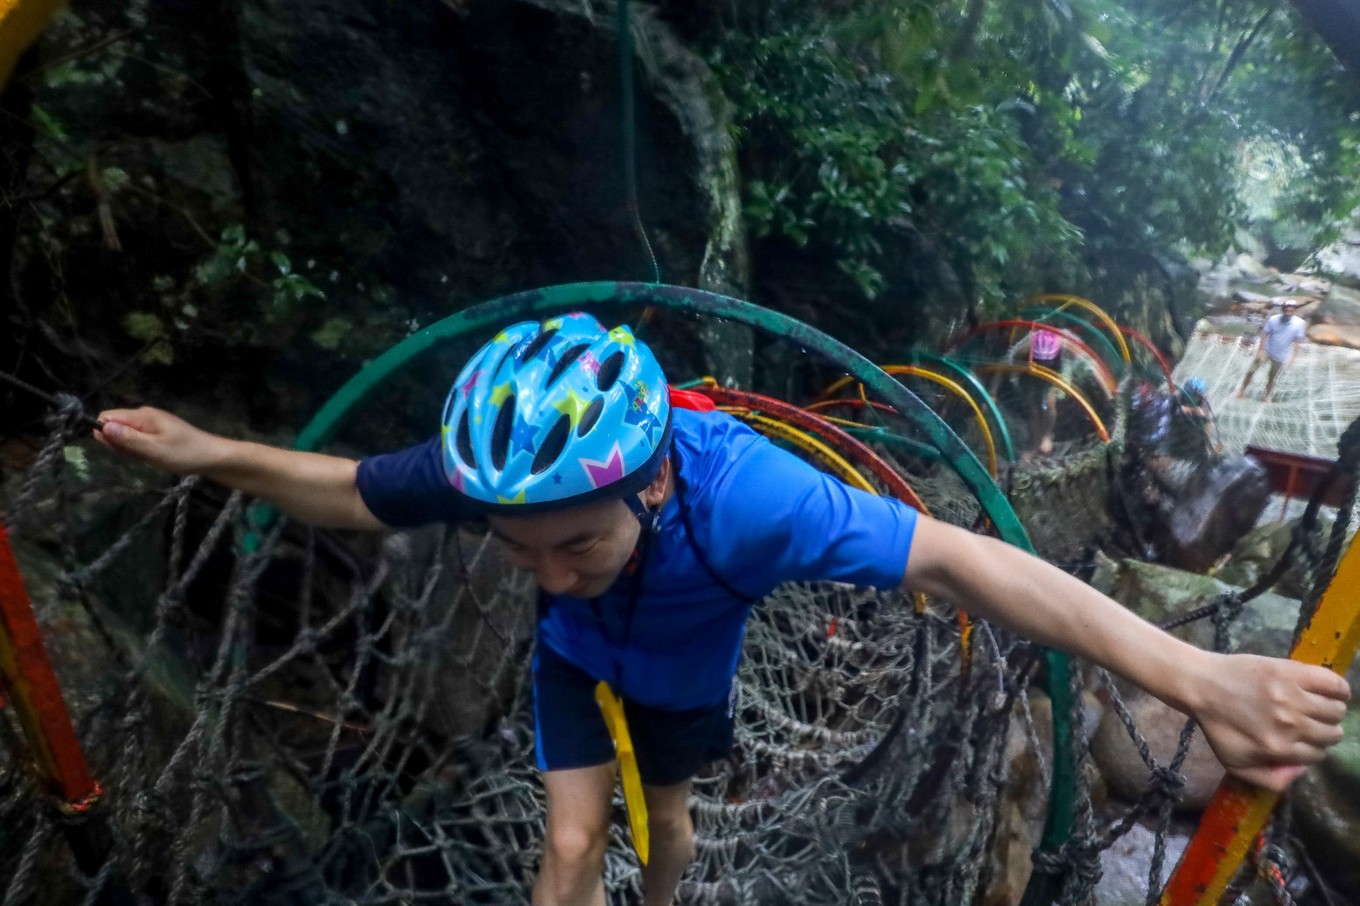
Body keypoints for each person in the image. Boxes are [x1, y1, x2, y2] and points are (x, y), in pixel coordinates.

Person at [92, 311, 1349, 906]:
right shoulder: (502, 482)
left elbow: (973, 566)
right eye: (512, 548)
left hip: (685, 682)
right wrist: (209, 451)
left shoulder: (752, 498)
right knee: (572, 845)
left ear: (645, 479)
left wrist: (1200, 677)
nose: (543, 566)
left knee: (670, 837)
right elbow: (347, 493)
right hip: (576, 670)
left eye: (576, 544)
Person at [1236, 300, 1307, 403]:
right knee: (1251, 371)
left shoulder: (1299, 323)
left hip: (1281, 354)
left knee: (1272, 377)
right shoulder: (1274, 319)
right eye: (1286, 310)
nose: (1288, 312)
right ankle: (1241, 391)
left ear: (1294, 310)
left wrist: (1293, 358)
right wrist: (1260, 350)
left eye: (1290, 310)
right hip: (1267, 350)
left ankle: (1267, 397)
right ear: (1283, 309)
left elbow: (1298, 342)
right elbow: (1264, 334)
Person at [1022, 327, 1063, 458]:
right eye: (1041, 360)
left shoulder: (1064, 349)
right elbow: (1003, 366)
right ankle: (1035, 444)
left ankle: (1047, 436)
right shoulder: (1024, 349)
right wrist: (993, 393)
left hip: (1058, 374)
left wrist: (1054, 391)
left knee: (1050, 403)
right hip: (1031, 374)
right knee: (1032, 407)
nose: (1044, 364)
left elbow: (1062, 375)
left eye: (1048, 361)